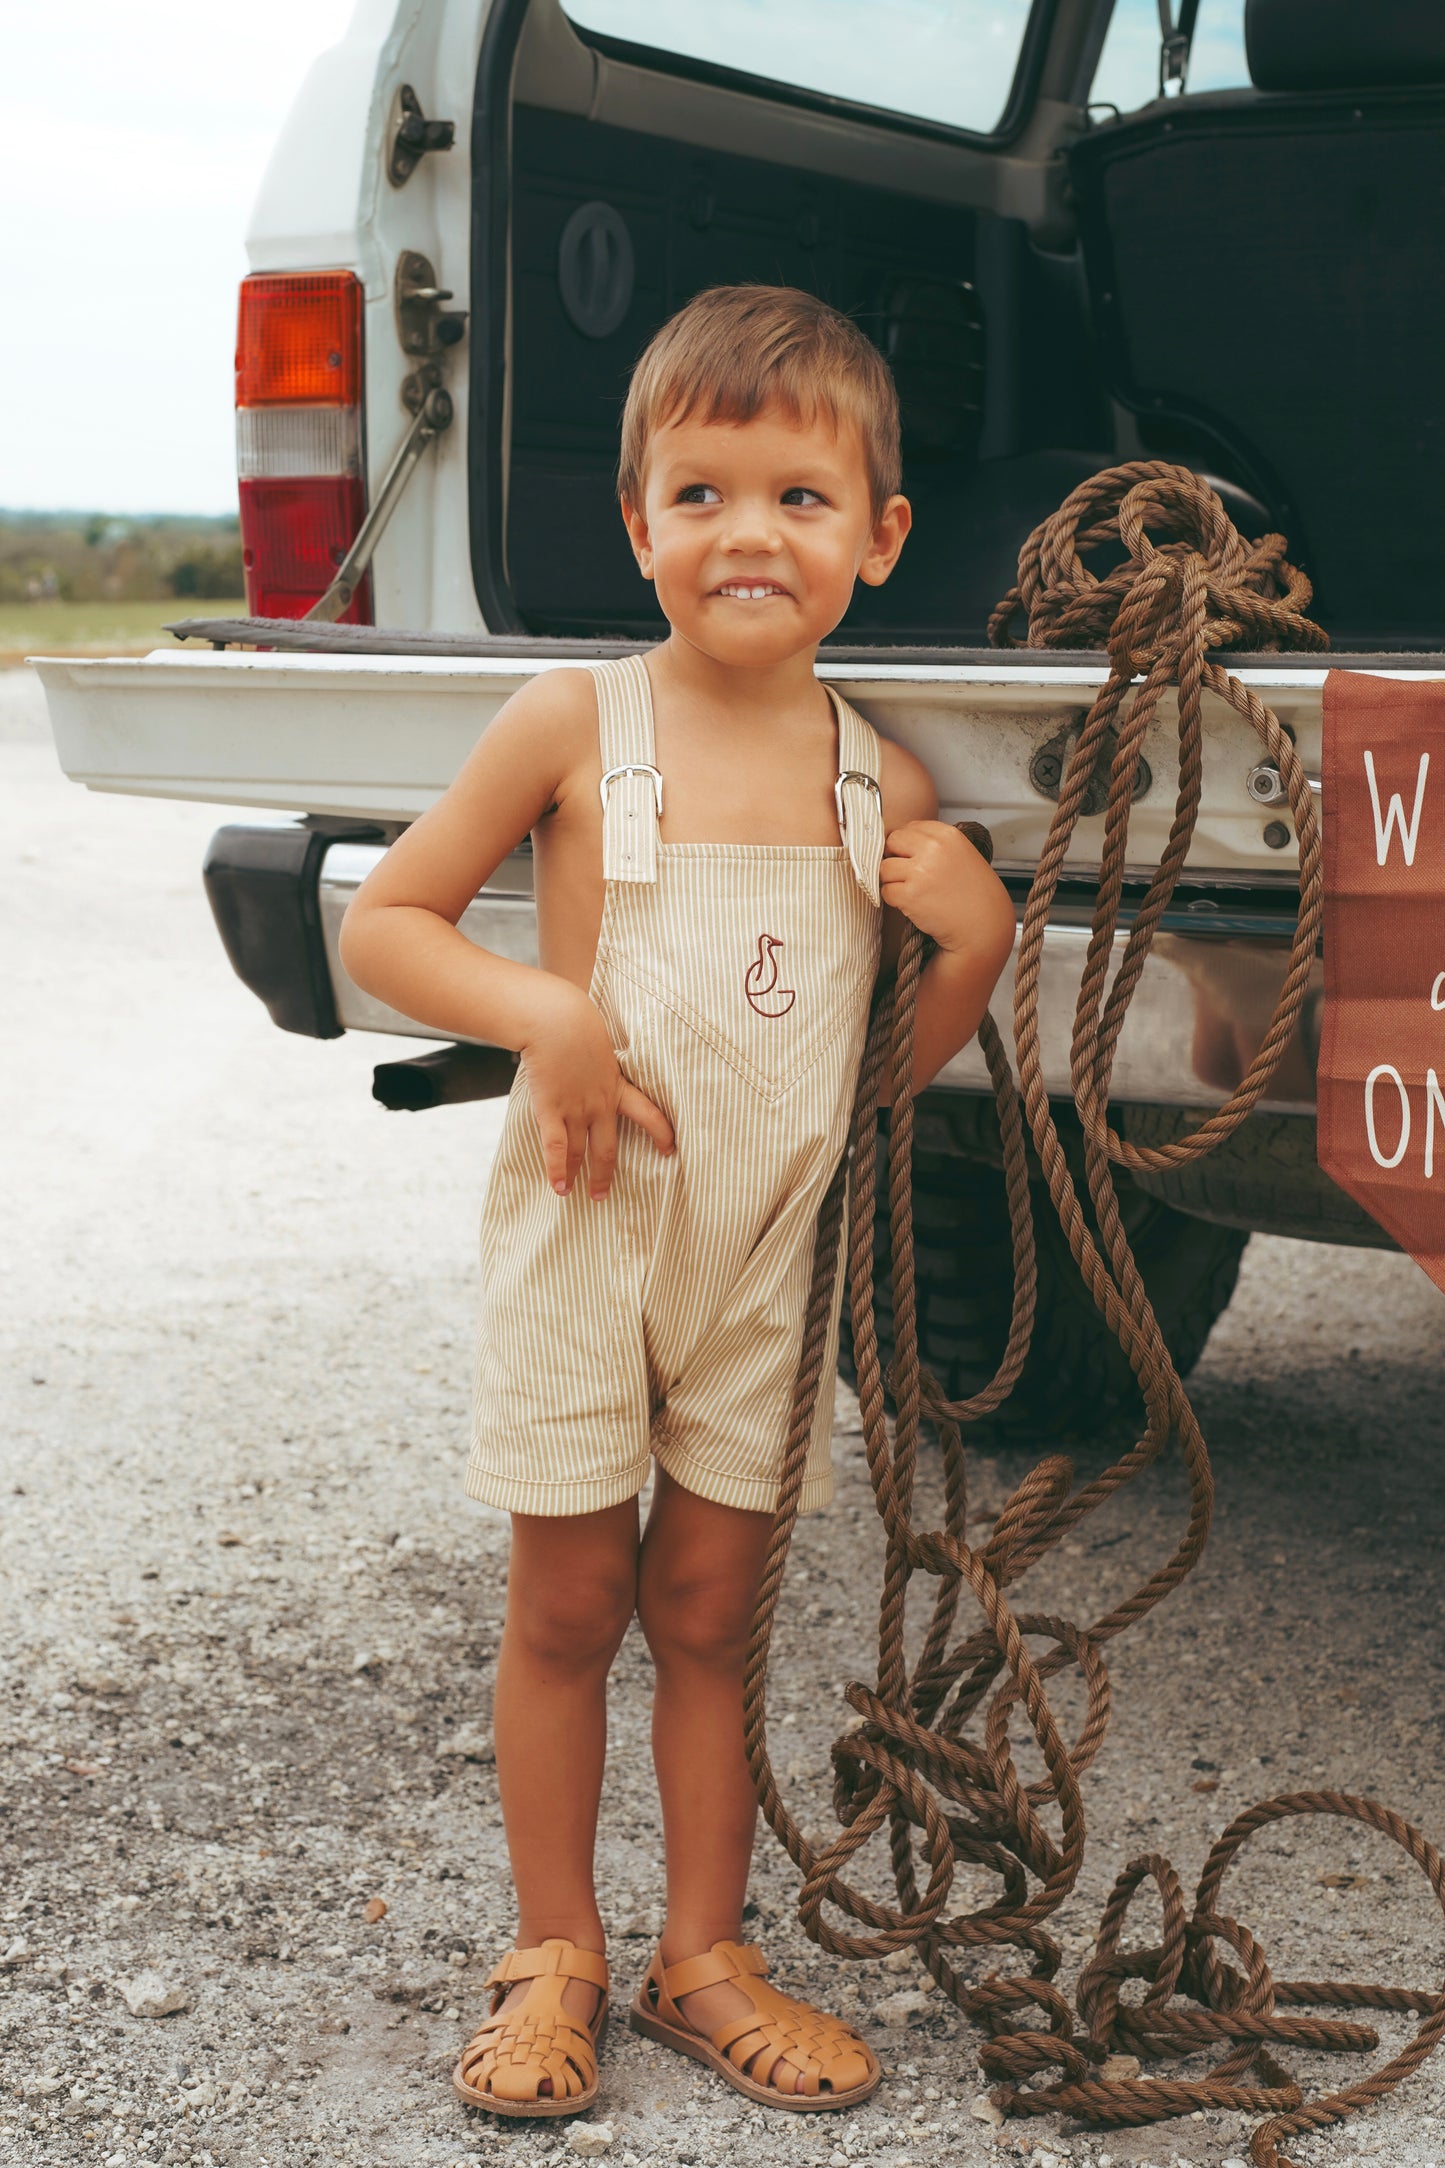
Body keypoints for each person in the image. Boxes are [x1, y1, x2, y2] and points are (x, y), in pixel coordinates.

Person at [338, 284, 1016, 2120]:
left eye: (798, 498)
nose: (746, 535)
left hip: (758, 1268)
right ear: (637, 523)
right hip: (589, 1239)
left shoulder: (873, 775)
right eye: (701, 493)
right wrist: (546, 1012)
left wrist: (976, 937)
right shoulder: (573, 721)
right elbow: (382, 923)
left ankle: (700, 1954)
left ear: (875, 539)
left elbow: (880, 1076)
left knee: (711, 1608)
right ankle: (552, 1946)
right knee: (568, 1606)